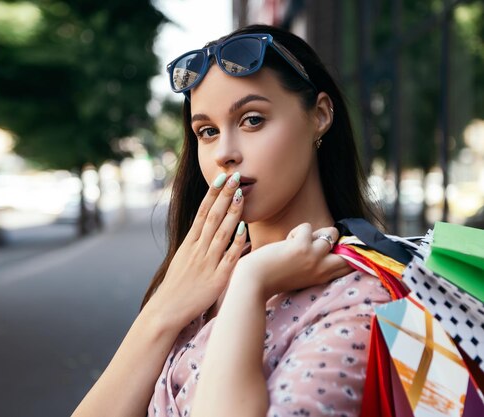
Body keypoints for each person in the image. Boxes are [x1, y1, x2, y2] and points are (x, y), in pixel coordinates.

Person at [72, 24, 391, 417]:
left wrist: (250, 285)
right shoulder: (199, 279)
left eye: (252, 120)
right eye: (206, 131)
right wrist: (161, 313)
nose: (224, 153)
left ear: (320, 115)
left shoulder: (359, 299)